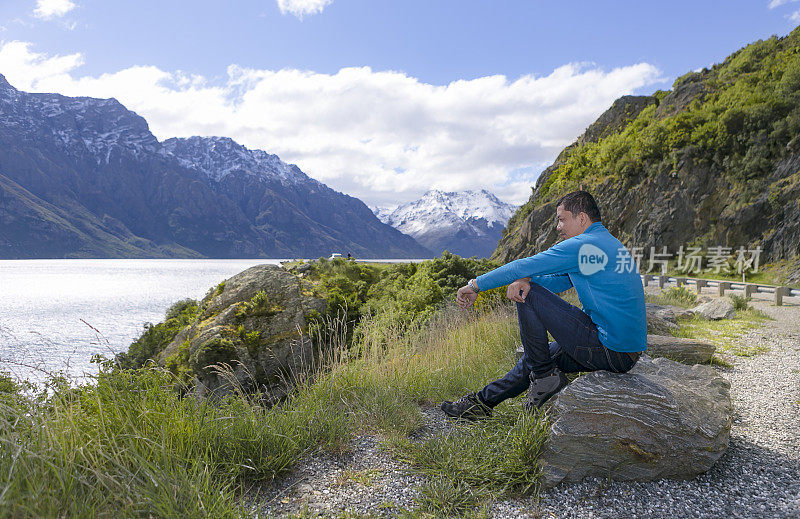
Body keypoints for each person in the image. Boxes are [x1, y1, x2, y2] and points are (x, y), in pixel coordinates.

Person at [440, 190, 647, 420]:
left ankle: (544, 376)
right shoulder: (605, 243)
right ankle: (481, 403)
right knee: (536, 356)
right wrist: (527, 279)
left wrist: (475, 285)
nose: (558, 226)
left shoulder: (583, 245)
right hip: (622, 351)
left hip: (610, 348)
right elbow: (557, 282)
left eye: (561, 219)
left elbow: (522, 265)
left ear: (581, 219)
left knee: (527, 298)